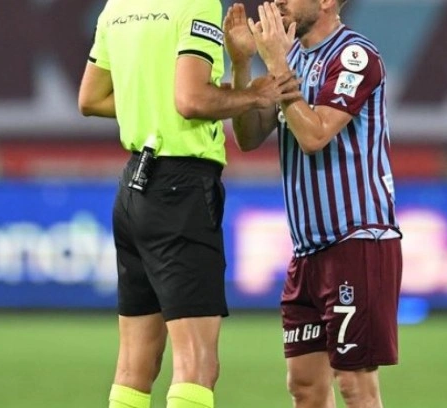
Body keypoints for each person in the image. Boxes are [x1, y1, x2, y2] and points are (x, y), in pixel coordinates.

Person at [77, 1, 299, 407]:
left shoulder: (117, 7)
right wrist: (253, 94)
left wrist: (155, 106)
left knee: (134, 365)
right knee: (197, 364)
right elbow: (192, 101)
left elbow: (90, 98)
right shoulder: (196, 4)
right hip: (179, 190)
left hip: (133, 187)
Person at [225, 1, 403, 407]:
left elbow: (315, 135)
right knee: (304, 386)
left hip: (356, 240)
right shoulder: (292, 60)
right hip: (307, 253)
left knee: (355, 385)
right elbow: (249, 137)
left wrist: (277, 64)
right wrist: (242, 64)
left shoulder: (354, 56)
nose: (278, 2)